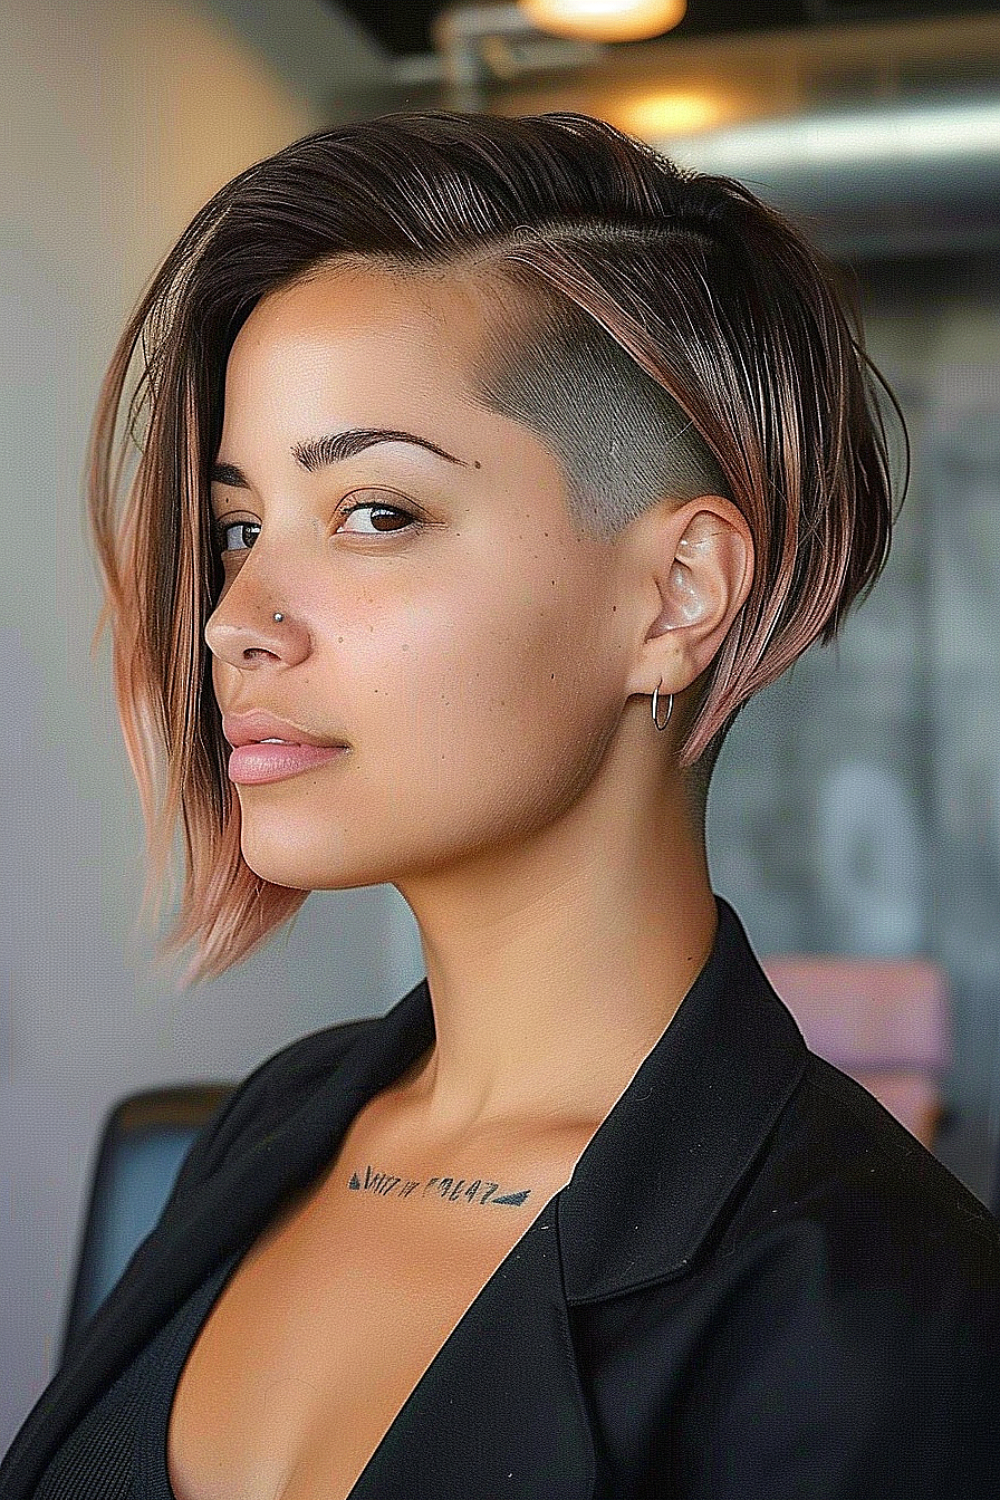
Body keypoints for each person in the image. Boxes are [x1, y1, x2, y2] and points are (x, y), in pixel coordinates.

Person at [3, 109, 998, 1500]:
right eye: (240, 528)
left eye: (375, 513)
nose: (233, 621)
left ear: (676, 596)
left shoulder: (883, 1310)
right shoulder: (270, 1130)